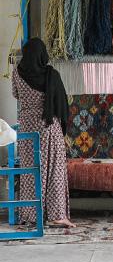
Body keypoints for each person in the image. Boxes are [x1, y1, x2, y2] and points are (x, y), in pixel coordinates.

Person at [13, 38, 75, 228]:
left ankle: (31, 215)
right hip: (49, 127)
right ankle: (57, 216)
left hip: (27, 128)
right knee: (54, 170)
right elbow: (61, 103)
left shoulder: (17, 73)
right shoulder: (51, 75)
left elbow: (15, 94)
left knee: (31, 171)